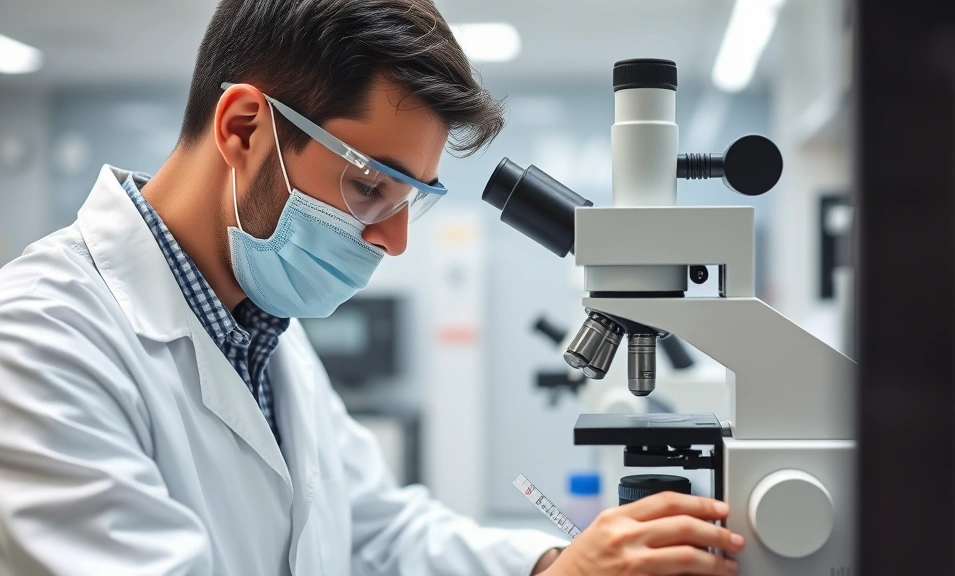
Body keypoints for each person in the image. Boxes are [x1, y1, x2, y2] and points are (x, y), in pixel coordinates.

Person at [0, 1, 745, 574]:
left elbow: (379, 533)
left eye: (409, 198)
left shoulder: (259, 330)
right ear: (244, 128)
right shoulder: (38, 343)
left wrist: (549, 563)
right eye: (368, 188)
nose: (393, 240)